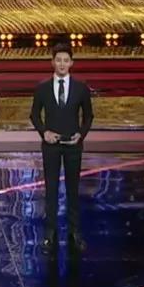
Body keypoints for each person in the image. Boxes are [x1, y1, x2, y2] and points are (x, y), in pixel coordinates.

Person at [29, 43, 93, 252]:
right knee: (51, 189)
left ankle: (75, 233)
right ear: (52, 62)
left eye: (66, 60)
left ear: (71, 63)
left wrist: (80, 135)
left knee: (73, 190)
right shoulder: (43, 88)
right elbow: (34, 115)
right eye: (59, 60)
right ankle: (50, 234)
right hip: (51, 146)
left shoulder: (81, 88)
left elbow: (88, 116)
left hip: (73, 145)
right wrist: (44, 132)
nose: (62, 64)